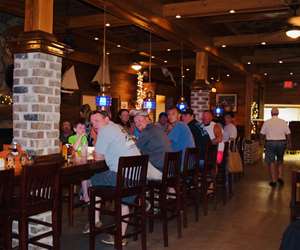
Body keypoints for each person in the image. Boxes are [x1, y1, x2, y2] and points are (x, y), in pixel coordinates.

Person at [88, 110, 162, 245]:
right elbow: (129, 148)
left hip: (123, 176)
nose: (94, 124)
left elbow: (98, 158)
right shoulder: (119, 128)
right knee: (123, 201)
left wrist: (96, 140)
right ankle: (120, 237)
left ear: (106, 119)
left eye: (97, 121)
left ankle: (95, 220)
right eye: (92, 122)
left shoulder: (104, 131)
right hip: (138, 177)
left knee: (91, 179)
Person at [260, 107, 291, 187]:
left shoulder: (267, 122)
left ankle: (273, 181)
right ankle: (280, 177)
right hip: (281, 142)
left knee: (271, 162)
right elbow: (288, 133)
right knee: (280, 160)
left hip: (270, 143)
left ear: (271, 113)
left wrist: (262, 142)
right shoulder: (283, 122)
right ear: (278, 113)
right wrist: (289, 143)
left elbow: (262, 134)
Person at [68, 120, 89, 203]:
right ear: (74, 129)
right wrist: (80, 136)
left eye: (84, 128)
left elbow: (85, 151)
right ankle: (85, 195)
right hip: (73, 164)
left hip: (82, 162)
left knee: (89, 176)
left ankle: (83, 194)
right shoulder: (71, 138)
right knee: (85, 176)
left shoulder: (85, 138)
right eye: (80, 128)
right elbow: (74, 149)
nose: (83, 129)